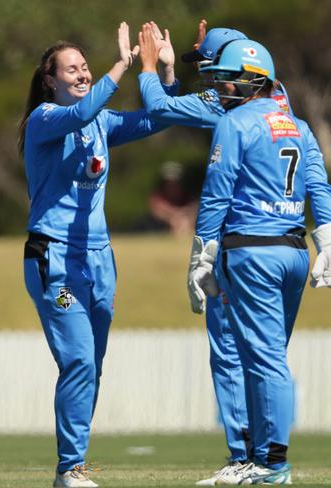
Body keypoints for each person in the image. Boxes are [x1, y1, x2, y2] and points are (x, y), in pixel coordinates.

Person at [138, 21, 304, 485]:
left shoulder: (230, 106)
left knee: (235, 355)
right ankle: (262, 456)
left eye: (211, 64)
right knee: (262, 356)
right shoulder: (279, 100)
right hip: (283, 241)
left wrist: (152, 68)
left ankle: (251, 457)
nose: (207, 75)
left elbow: (159, 109)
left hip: (242, 248)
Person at [18, 22, 176, 488]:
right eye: (72, 69)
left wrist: (165, 74)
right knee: (80, 360)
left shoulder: (101, 122)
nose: (82, 74)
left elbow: (159, 119)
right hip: (54, 256)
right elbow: (81, 113)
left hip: (100, 258)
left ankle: (75, 463)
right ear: (50, 80)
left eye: (85, 67)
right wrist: (124, 65)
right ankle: (70, 468)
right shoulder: (45, 119)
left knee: (94, 364)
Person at [188, 38, 331, 485]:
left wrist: (201, 256)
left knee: (263, 360)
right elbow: (318, 184)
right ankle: (262, 459)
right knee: (267, 357)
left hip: (252, 252)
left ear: (254, 82)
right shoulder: (299, 125)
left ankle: (271, 465)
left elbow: (217, 193)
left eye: (228, 79)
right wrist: (326, 239)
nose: (221, 88)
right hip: (293, 252)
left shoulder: (235, 124)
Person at [148, 161, 197, 235]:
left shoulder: (187, 193)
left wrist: (184, 216)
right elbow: (157, 209)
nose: (172, 186)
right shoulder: (158, 195)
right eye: (169, 182)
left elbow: (194, 207)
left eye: (174, 182)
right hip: (163, 224)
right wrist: (174, 216)